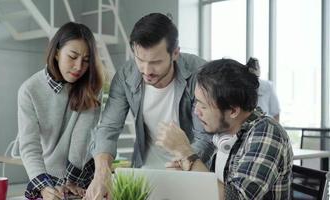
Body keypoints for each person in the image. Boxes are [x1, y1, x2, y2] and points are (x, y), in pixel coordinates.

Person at [85, 13, 214, 200]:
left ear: (175, 53)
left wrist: (185, 161)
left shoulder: (200, 73)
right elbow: (108, 129)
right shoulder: (125, 75)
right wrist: (102, 173)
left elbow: (205, 138)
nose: (146, 70)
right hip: (145, 177)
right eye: (140, 60)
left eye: (155, 62)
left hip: (192, 175)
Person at [156, 59, 293, 199]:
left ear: (233, 111)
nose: (197, 112)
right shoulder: (223, 133)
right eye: (196, 101)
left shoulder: (267, 133)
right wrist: (189, 174)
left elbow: (235, 198)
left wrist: (187, 153)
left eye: (203, 106)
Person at [17, 22, 104, 200]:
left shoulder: (91, 86)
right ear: (56, 52)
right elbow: (29, 146)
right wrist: (44, 187)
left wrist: (71, 181)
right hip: (47, 175)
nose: (79, 67)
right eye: (72, 56)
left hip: (82, 172)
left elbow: (83, 137)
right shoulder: (29, 90)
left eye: (86, 60)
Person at [247, 57, 281, 121]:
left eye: (256, 68)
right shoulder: (243, 86)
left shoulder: (267, 86)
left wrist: (274, 130)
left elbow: (276, 112)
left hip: (263, 123)